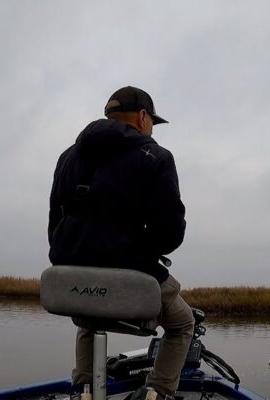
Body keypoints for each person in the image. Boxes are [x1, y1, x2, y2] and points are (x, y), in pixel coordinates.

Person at [48, 86, 193, 400]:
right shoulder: (155, 156)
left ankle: (84, 390)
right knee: (183, 323)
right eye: (152, 120)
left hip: (70, 273)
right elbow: (169, 236)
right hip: (129, 276)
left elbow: (54, 221)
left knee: (89, 315)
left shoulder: (67, 157)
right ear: (142, 118)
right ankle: (157, 392)